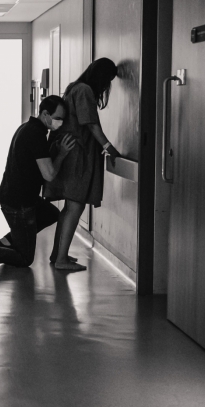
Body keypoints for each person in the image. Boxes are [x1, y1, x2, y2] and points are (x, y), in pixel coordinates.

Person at [0, 96, 76, 270]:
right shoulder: (35, 134)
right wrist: (62, 153)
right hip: (20, 204)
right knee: (25, 258)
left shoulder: (27, 128)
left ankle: (5, 243)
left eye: (62, 119)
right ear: (45, 114)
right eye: (57, 118)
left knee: (50, 213)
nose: (60, 123)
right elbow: (49, 174)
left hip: (18, 196)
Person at [44, 58, 120, 271]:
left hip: (71, 154)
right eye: (107, 81)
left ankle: (58, 254)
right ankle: (61, 259)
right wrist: (109, 147)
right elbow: (91, 125)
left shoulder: (73, 88)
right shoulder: (85, 90)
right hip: (78, 156)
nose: (107, 86)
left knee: (69, 206)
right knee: (75, 205)